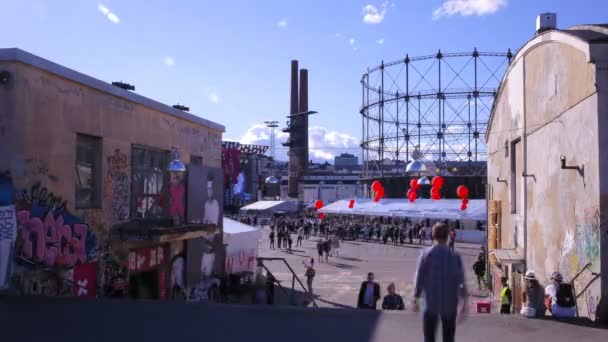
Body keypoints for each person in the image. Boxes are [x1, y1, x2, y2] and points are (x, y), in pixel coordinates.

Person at [413, 222, 468, 342]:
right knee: (448, 337)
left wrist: (416, 297)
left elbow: (419, 277)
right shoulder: (455, 256)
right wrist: (464, 303)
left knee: (429, 337)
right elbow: (461, 280)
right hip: (450, 303)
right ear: (448, 236)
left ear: (433, 235)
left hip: (430, 302)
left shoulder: (426, 255)